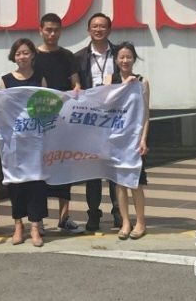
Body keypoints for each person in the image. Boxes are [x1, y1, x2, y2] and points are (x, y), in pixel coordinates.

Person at [34, 13, 85, 234]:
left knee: (65, 168)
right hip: (40, 121)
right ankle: (38, 220)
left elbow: (76, 84)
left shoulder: (67, 56)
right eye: (48, 29)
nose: (52, 33)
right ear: (40, 30)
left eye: (56, 30)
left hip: (64, 121)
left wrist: (77, 90)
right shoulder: (32, 56)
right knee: (40, 170)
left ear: (61, 31)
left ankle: (64, 218)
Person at [0, 38, 48, 247]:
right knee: (15, 182)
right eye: (18, 53)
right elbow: (0, 108)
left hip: (35, 140)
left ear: (32, 55)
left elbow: (46, 108)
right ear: (13, 57)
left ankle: (35, 226)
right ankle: (18, 225)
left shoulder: (40, 79)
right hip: (14, 141)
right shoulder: (5, 80)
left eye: (25, 52)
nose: (22, 57)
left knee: (36, 182)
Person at [74, 12, 121, 231]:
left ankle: (118, 212)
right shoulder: (79, 57)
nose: (98, 29)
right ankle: (93, 214)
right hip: (90, 120)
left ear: (109, 30)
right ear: (88, 30)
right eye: (94, 26)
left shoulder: (120, 54)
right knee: (92, 170)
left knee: (114, 168)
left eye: (103, 26)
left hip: (114, 118)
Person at [104, 42, 150, 240]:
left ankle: (140, 222)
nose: (125, 60)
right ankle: (125, 221)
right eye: (121, 57)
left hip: (134, 139)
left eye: (128, 57)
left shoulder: (142, 82)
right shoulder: (109, 79)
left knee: (135, 182)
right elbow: (105, 104)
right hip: (115, 139)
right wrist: (124, 86)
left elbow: (146, 114)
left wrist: (143, 140)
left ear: (134, 59)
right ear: (116, 60)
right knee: (119, 184)